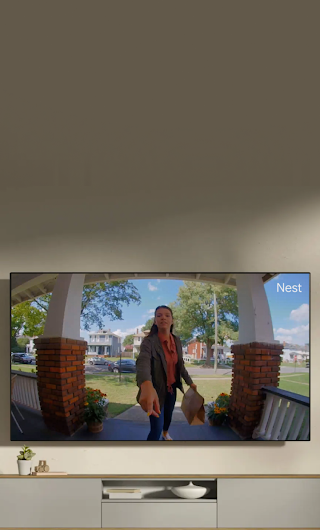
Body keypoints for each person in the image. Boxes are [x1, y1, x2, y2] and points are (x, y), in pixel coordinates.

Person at [136, 305, 197, 441]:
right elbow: (143, 362)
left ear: (172, 320)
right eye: (159, 315)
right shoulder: (149, 342)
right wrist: (146, 385)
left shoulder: (177, 341)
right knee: (156, 428)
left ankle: (165, 434)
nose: (163, 317)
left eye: (167, 315)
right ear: (155, 321)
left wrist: (190, 383)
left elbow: (180, 364)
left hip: (171, 390)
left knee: (168, 417)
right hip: (156, 392)